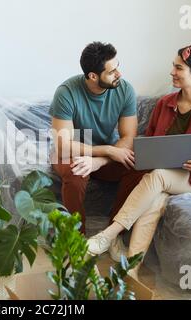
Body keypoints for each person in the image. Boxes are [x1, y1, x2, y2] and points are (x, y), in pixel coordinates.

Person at [87, 44, 191, 279]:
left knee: (156, 177)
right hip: (166, 174)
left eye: (178, 68)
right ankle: (130, 272)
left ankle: (109, 234)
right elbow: (152, 141)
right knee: (152, 206)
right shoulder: (165, 103)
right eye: (173, 67)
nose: (172, 72)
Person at [50, 41, 138, 237]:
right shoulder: (66, 92)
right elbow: (63, 144)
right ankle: (76, 241)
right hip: (71, 150)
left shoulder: (125, 90)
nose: (119, 74)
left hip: (104, 152)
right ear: (92, 76)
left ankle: (114, 235)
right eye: (112, 71)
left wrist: (99, 161)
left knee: (140, 165)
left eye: (118, 67)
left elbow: (128, 136)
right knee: (76, 173)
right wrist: (107, 151)